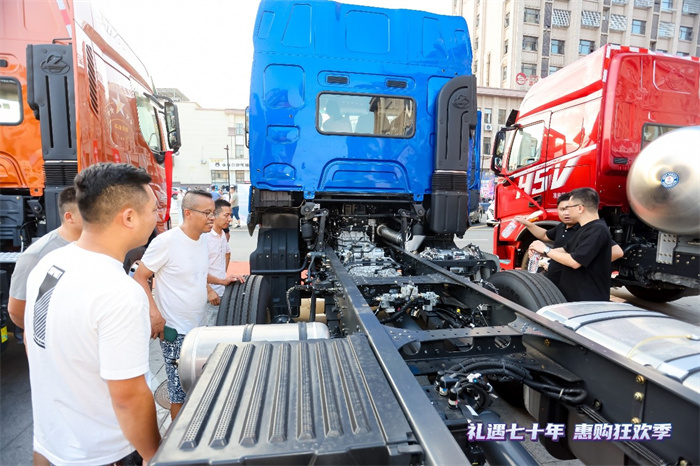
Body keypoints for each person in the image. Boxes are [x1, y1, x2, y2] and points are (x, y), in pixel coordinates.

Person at [24, 163, 161, 465]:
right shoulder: (119, 292)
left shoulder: (50, 264)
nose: (158, 217)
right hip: (104, 454)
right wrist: (154, 454)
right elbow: (128, 397)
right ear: (128, 217)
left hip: (52, 443)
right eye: (153, 209)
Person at [133, 189, 237, 420]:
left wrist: (221, 280)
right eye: (207, 213)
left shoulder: (201, 241)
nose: (212, 217)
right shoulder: (166, 242)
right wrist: (154, 314)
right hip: (174, 331)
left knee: (198, 385)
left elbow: (197, 273)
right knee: (178, 391)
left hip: (198, 329)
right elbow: (140, 277)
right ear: (188, 213)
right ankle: (175, 443)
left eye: (213, 212)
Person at [8, 187, 83, 334]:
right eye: (89, 213)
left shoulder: (94, 246)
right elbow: (17, 310)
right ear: (69, 217)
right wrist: (47, 338)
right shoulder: (36, 255)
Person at [529, 187, 615, 301]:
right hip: (574, 297)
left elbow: (574, 262)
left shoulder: (597, 230)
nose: (567, 211)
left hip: (587, 300)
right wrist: (540, 251)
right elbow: (566, 249)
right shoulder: (585, 228)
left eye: (569, 207)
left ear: (580, 208)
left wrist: (546, 250)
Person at [206, 199, 245, 325]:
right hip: (208, 296)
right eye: (226, 215)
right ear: (214, 215)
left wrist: (223, 274)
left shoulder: (222, 234)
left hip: (221, 291)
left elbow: (227, 253)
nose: (229, 219)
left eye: (231, 215)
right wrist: (209, 291)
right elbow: (195, 270)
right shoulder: (204, 237)